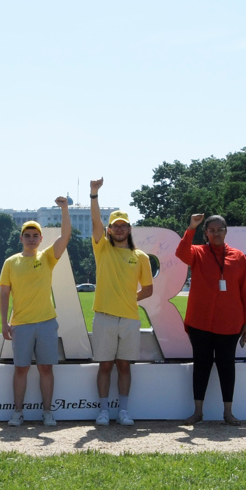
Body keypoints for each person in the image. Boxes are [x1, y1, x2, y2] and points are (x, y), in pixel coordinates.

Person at [0, 197, 72, 427]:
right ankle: (18, 412)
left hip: (47, 322)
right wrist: (4, 322)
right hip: (20, 323)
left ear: (41, 239)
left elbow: (65, 235)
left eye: (35, 236)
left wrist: (64, 209)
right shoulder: (11, 262)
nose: (31, 239)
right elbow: (3, 295)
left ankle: (48, 412)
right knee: (20, 369)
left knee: (45, 369)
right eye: (27, 236)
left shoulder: (47, 257)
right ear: (21, 238)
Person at [176, 214, 246, 425]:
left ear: (226, 231)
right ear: (206, 233)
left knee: (227, 366)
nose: (216, 233)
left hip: (230, 323)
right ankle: (197, 412)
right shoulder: (198, 252)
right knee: (201, 365)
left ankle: (228, 412)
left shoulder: (238, 257)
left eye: (220, 229)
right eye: (212, 230)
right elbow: (181, 253)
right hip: (200, 322)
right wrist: (191, 227)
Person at [89, 179, 153, 426]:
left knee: (124, 365)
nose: (119, 229)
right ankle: (103, 411)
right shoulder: (102, 249)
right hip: (104, 316)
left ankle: (123, 411)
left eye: (123, 225)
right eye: (115, 226)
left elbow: (148, 289)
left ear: (129, 228)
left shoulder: (140, 257)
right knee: (105, 365)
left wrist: (129, 299)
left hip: (128, 317)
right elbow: (95, 222)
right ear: (109, 230)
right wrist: (94, 195)